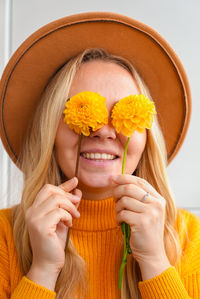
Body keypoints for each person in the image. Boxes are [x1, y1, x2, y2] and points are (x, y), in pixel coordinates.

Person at [0, 11, 199, 299]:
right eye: (83, 111)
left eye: (121, 113)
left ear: (147, 139)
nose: (103, 132)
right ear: (50, 131)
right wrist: (42, 271)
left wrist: (155, 262)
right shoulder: (4, 237)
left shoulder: (189, 238)